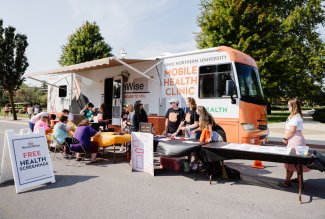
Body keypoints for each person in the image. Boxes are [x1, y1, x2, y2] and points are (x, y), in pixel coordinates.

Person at [282, 98, 310, 187]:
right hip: (297, 140)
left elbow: (292, 131)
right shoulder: (294, 116)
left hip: (295, 140)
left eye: (289, 105)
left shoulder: (295, 117)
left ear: (293, 106)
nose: (287, 107)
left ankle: (288, 181)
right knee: (298, 162)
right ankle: (299, 180)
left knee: (292, 161)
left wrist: (285, 138)